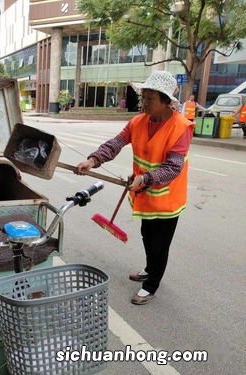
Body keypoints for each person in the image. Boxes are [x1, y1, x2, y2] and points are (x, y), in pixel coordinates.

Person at [75, 70, 194, 305]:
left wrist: (146, 179)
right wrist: (93, 160)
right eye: (144, 96)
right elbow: (116, 143)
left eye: (150, 98)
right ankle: (150, 269)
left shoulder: (181, 127)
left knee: (160, 243)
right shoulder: (138, 121)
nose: (144, 102)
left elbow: (172, 167)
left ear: (165, 101)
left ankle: (150, 286)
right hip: (144, 193)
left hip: (167, 198)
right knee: (147, 236)